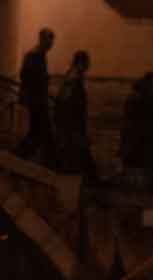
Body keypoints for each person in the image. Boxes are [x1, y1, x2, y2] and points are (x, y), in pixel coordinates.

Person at [55, 50, 98, 181]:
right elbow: (67, 100)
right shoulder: (74, 78)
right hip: (73, 122)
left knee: (79, 150)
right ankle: (90, 178)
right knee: (77, 149)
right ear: (80, 62)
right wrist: (73, 121)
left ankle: (90, 177)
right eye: (86, 63)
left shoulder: (73, 76)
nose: (88, 66)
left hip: (72, 121)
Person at [15, 28, 56, 166]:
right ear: (42, 40)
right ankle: (22, 156)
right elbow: (25, 75)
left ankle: (21, 155)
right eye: (49, 41)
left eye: (52, 42)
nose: (51, 45)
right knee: (42, 131)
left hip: (38, 99)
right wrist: (41, 80)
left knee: (38, 132)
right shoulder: (34, 55)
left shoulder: (40, 55)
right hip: (35, 99)